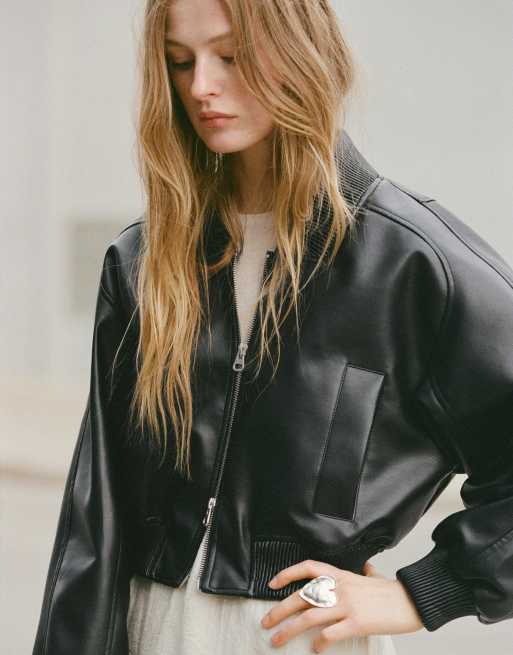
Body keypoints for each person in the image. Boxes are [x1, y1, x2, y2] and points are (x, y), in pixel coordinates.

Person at [32, 1, 513, 654]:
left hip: (296, 634)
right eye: (180, 62)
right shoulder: (144, 259)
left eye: (230, 56)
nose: (201, 86)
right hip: (150, 630)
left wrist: (421, 593)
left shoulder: (412, 264)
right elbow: (97, 519)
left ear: (300, 51)